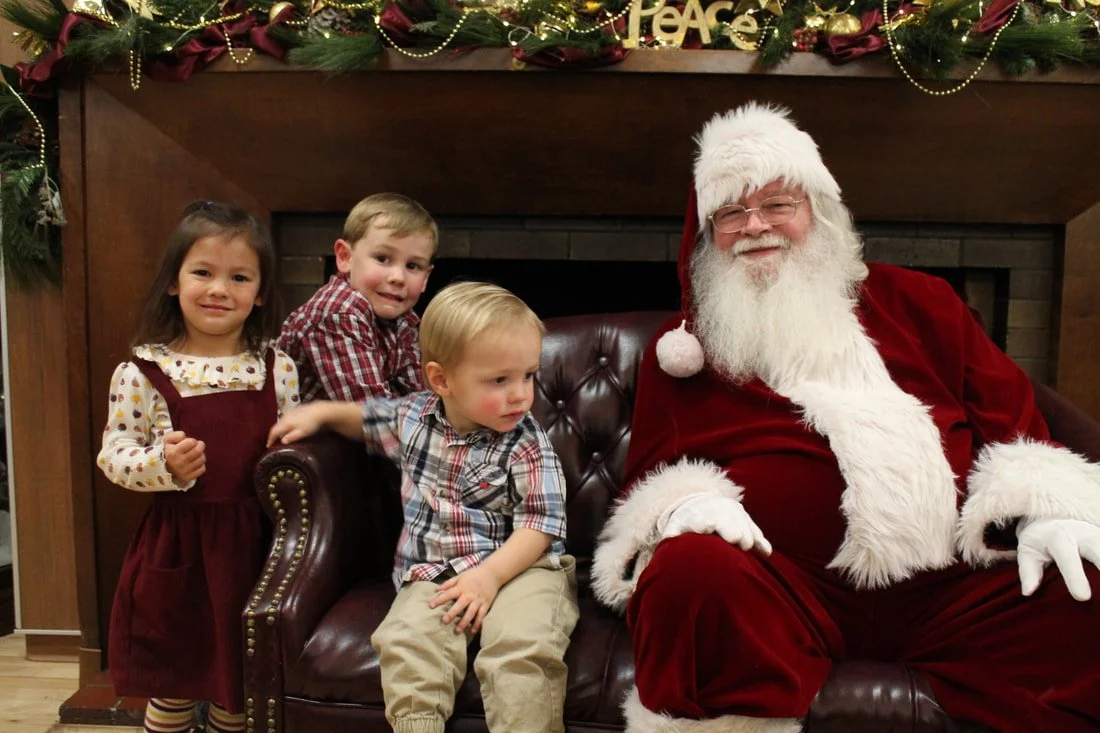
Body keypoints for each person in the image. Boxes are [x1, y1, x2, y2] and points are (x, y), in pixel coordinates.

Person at [591, 103, 1100, 733]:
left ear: (818, 213)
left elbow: (1013, 419)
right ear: (707, 236)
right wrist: (680, 509)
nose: (756, 226)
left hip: (953, 585)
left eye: (778, 204)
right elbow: (653, 476)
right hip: (783, 590)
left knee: (1087, 589)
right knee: (686, 574)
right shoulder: (687, 350)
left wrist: (1051, 508)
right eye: (731, 212)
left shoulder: (923, 302)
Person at [268, 281, 579, 733]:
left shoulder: (527, 443)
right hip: (435, 570)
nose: (520, 395)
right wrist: (322, 414)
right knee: (408, 643)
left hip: (524, 567)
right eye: (499, 380)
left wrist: (489, 577)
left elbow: (541, 524)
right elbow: (368, 419)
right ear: (441, 380)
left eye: (528, 375)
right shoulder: (413, 417)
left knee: (521, 650)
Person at [97, 201, 301, 733]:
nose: (219, 289)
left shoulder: (276, 366)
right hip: (178, 550)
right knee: (175, 681)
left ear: (258, 293)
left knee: (241, 689)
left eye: (239, 277)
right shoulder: (142, 371)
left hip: (256, 548)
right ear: (173, 282)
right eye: (203, 273)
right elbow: (114, 455)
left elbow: (294, 450)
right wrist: (161, 462)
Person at [276, 192, 437, 403]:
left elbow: (420, 397)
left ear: (426, 278)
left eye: (413, 266)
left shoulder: (403, 320)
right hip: (301, 433)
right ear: (345, 257)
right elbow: (371, 412)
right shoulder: (338, 312)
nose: (398, 278)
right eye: (383, 258)